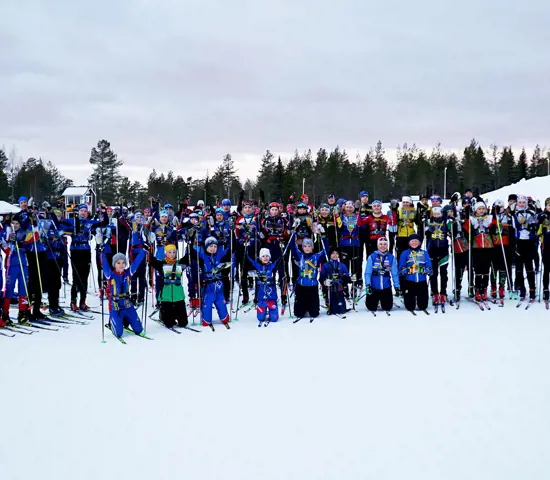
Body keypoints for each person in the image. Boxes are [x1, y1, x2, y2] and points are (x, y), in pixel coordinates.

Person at [101, 245, 147, 338]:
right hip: (115, 306)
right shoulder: (110, 275)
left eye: (123, 263)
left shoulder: (128, 272)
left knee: (139, 330)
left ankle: (125, 320)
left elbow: (136, 263)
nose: (121, 265)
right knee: (118, 333)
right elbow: (104, 265)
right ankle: (114, 321)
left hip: (127, 304)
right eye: (118, 263)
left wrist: (144, 251)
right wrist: (101, 253)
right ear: (114, 264)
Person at [150, 244, 190, 329]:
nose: (172, 254)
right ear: (165, 254)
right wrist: (148, 249)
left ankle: (175, 315)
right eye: (170, 252)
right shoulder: (162, 265)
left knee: (183, 323)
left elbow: (189, 256)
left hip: (178, 296)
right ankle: (163, 314)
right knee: (169, 324)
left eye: (174, 252)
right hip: (166, 297)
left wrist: (189, 243)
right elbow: (152, 261)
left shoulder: (180, 264)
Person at [290, 236, 327, 320]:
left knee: (314, 314)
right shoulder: (299, 255)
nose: (307, 248)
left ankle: (309, 307)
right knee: (298, 314)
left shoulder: (316, 257)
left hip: (312, 287)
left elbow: (325, 250)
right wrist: (293, 233)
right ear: (302, 247)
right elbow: (293, 246)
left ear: (312, 247)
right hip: (301, 286)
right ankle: (304, 307)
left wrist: (323, 236)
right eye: (305, 246)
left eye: (309, 246)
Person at [198, 237, 232, 328]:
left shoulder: (219, 255)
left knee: (222, 308)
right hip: (208, 287)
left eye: (215, 246)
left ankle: (224, 317)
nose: (213, 248)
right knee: (207, 309)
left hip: (219, 287)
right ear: (206, 247)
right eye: (210, 246)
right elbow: (192, 252)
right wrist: (191, 240)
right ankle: (206, 319)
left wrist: (232, 238)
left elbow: (231, 250)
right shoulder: (202, 256)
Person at [364, 237, 400, 313]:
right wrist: (368, 285)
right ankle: (373, 300)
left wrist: (397, 286)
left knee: (387, 307)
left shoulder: (391, 257)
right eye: (380, 244)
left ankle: (383, 300)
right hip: (374, 287)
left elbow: (394, 273)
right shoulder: (372, 257)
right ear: (377, 245)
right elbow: (368, 273)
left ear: (387, 246)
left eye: (385, 244)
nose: (382, 246)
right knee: (371, 307)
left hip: (386, 287)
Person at [398, 233, 433, 312]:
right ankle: (409, 298)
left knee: (423, 306)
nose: (414, 243)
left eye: (416, 241)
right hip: (410, 282)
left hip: (421, 282)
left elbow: (429, 268)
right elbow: (401, 269)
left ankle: (420, 299)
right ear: (409, 243)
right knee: (410, 307)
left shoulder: (424, 253)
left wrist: (424, 270)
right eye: (412, 241)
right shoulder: (405, 253)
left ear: (420, 243)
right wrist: (410, 270)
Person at [248, 248, 281, 325]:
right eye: (263, 256)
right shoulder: (258, 266)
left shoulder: (272, 266)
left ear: (270, 257)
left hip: (271, 297)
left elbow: (279, 258)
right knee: (260, 318)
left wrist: (281, 249)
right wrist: (246, 247)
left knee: (274, 319)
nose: (265, 258)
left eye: (267, 256)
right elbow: (249, 259)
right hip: (261, 298)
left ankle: (271, 310)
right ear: (260, 258)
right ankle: (264, 310)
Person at [320, 247, 351, 315]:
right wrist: (325, 281)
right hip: (330, 290)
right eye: (333, 253)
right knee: (333, 310)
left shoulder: (342, 265)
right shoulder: (326, 265)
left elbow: (347, 276)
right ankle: (328, 304)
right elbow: (321, 277)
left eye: (336, 253)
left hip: (339, 289)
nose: (335, 255)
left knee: (342, 310)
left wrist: (346, 278)